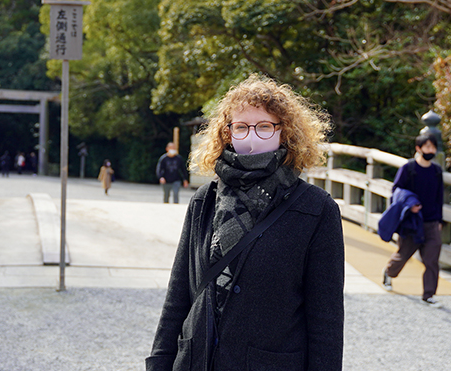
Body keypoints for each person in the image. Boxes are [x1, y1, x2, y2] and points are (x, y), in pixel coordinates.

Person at [146, 75, 343, 371]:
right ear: (227, 133)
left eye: (264, 126)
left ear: (285, 132)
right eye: (241, 127)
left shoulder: (316, 209)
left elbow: (325, 320)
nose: (251, 136)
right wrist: (159, 363)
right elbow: (178, 296)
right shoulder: (205, 200)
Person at [381, 133, 445, 306]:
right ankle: (389, 272)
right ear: (419, 148)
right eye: (427, 147)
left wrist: (439, 221)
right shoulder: (408, 168)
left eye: (433, 147)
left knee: (432, 260)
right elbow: (397, 191)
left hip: (431, 222)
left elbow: (440, 198)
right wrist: (411, 205)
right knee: (403, 255)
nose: (430, 150)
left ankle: (429, 295)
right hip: (412, 221)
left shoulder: (437, 171)